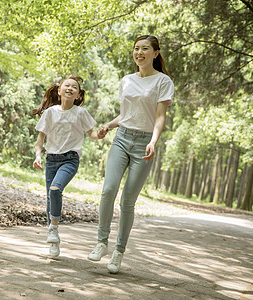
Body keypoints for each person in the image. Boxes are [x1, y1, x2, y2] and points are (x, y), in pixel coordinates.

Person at [87, 35, 174, 273]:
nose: (139, 52)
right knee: (108, 190)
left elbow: (160, 116)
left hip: (144, 143)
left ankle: (118, 252)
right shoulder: (127, 80)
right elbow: (125, 114)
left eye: (145, 49)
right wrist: (108, 126)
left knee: (127, 201)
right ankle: (101, 243)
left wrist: (154, 141)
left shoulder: (163, 81)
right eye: (136, 48)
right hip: (122, 138)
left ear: (155, 53)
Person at [32, 76, 102, 258]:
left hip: (70, 159)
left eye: (74, 87)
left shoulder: (81, 113)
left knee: (55, 190)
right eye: (67, 86)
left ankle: (53, 229)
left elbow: (92, 134)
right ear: (59, 91)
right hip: (51, 159)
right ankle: (53, 240)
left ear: (78, 95)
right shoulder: (50, 113)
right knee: (50, 198)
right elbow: (40, 139)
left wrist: (99, 134)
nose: (70, 88)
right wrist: (38, 156)